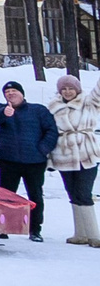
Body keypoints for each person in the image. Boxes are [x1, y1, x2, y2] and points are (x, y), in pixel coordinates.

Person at [0, 82, 61, 242]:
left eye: (14, 91)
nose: (10, 94)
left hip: (35, 161)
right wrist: (4, 113)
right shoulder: (2, 110)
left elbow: (51, 130)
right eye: (7, 91)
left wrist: (42, 149)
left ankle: (35, 229)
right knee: (5, 196)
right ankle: (3, 228)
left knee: (35, 195)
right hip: (9, 161)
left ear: (22, 93)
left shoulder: (38, 110)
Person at [47, 76, 98, 246]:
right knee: (73, 194)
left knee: (84, 193)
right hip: (64, 154)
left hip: (86, 153)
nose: (67, 92)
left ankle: (94, 235)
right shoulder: (53, 107)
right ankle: (80, 234)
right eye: (64, 89)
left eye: (71, 88)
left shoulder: (89, 102)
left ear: (78, 89)